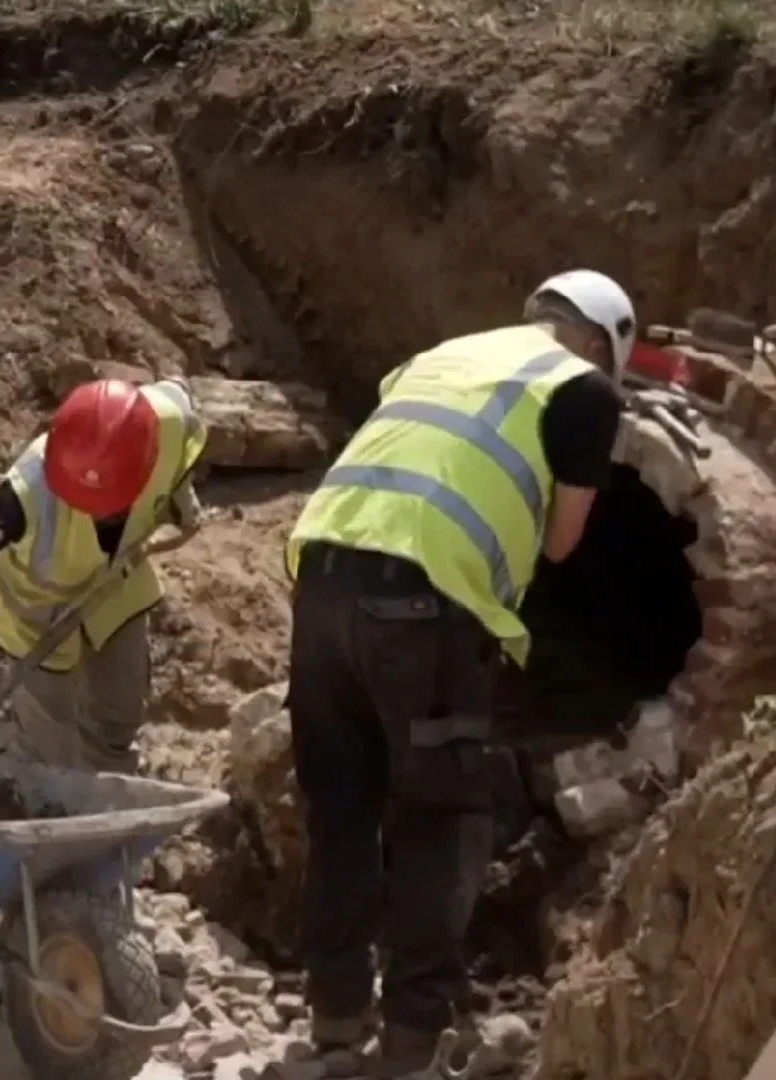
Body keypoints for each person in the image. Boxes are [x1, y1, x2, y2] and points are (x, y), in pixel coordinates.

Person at [282, 270, 634, 1076]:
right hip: (423, 603)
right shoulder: (584, 392)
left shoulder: (442, 356)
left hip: (321, 585)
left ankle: (336, 1020)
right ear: (595, 343)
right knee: (443, 816)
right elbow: (560, 544)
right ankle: (412, 1041)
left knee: (341, 810)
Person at [0, 376, 208, 784]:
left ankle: (104, 810)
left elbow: (183, 478)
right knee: (48, 755)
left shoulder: (167, 424)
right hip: (34, 612)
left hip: (116, 587)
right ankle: (33, 806)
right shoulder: (25, 492)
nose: (95, 513)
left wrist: (169, 514)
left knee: (117, 719)